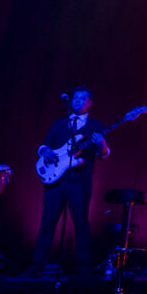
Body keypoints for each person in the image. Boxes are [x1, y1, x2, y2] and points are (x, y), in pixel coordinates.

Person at [26, 87, 109, 277]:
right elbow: (45, 144)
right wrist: (45, 151)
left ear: (90, 103)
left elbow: (103, 154)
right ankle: (36, 265)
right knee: (48, 223)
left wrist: (102, 145)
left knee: (81, 224)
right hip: (56, 180)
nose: (77, 101)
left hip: (79, 180)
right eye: (75, 98)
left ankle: (83, 267)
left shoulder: (95, 126)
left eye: (82, 98)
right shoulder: (59, 123)